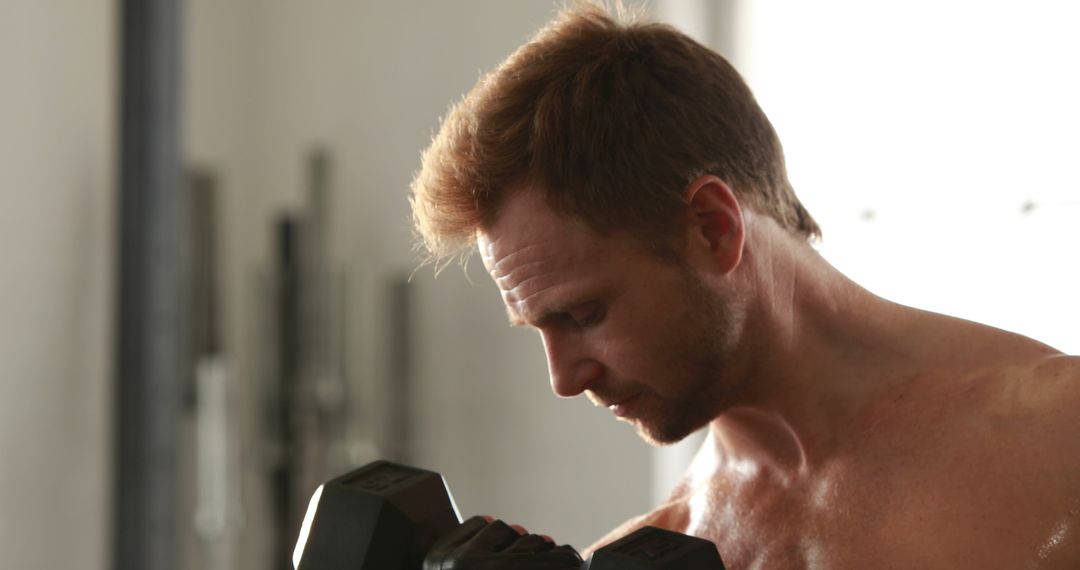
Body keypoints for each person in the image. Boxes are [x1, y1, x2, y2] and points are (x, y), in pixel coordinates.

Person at [410, 4, 1080, 568]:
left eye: (584, 313)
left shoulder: (1057, 439)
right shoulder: (662, 542)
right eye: (539, 329)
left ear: (711, 226)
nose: (564, 377)